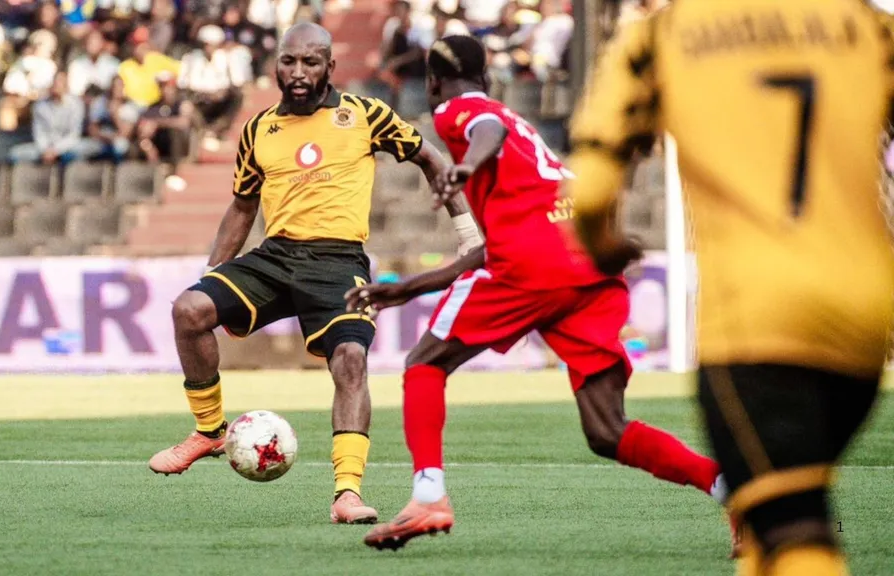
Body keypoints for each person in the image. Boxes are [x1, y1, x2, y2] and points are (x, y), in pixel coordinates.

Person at [346, 35, 733, 551]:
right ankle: (732, 492)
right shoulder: (519, 128)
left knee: (425, 363)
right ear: (487, 73)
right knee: (606, 431)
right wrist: (408, 289)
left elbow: (485, 133)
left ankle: (429, 496)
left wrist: (466, 166)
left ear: (433, 81)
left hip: (535, 264)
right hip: (586, 261)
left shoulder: (456, 112)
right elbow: (494, 242)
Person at [567, 2, 894, 576]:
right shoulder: (868, 26)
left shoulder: (661, 34)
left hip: (758, 318)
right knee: (777, 514)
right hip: (865, 311)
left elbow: (591, 192)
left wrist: (604, 246)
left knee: (794, 529)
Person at [147, 22, 483, 525]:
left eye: (311, 62)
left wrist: (468, 234)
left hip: (339, 261)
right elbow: (242, 205)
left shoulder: (365, 114)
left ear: (329, 66)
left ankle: (347, 494)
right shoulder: (260, 128)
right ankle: (210, 431)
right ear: (277, 65)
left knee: (350, 359)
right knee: (189, 309)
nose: (299, 72)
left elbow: (428, 158)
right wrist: (213, 271)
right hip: (276, 255)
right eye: (290, 61)